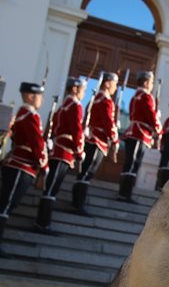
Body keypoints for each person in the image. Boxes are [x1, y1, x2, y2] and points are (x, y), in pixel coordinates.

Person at [0, 82, 47, 258]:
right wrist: (44, 164)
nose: (41, 99)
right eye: (39, 96)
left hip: (20, 164)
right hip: (21, 166)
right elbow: (36, 142)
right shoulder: (29, 115)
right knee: (6, 205)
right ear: (29, 96)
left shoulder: (24, 114)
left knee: (7, 205)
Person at [34, 77, 86, 234]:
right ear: (75, 89)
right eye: (82, 89)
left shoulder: (64, 105)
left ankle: (42, 222)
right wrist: (79, 150)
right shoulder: (75, 105)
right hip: (64, 152)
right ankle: (43, 223)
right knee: (51, 189)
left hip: (57, 149)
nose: (83, 93)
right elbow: (76, 129)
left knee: (50, 188)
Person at [73, 72, 120, 216]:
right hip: (96, 141)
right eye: (114, 83)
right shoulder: (105, 100)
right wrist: (114, 139)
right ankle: (78, 203)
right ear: (106, 83)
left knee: (85, 172)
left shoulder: (95, 99)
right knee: (87, 173)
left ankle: (77, 201)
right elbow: (107, 122)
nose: (115, 87)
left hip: (92, 139)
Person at [119, 71, 161, 203]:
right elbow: (150, 114)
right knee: (133, 164)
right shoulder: (146, 97)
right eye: (151, 82)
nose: (152, 85)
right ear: (146, 82)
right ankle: (126, 194)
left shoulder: (135, 96)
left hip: (133, 131)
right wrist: (158, 127)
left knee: (129, 163)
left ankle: (123, 192)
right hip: (140, 134)